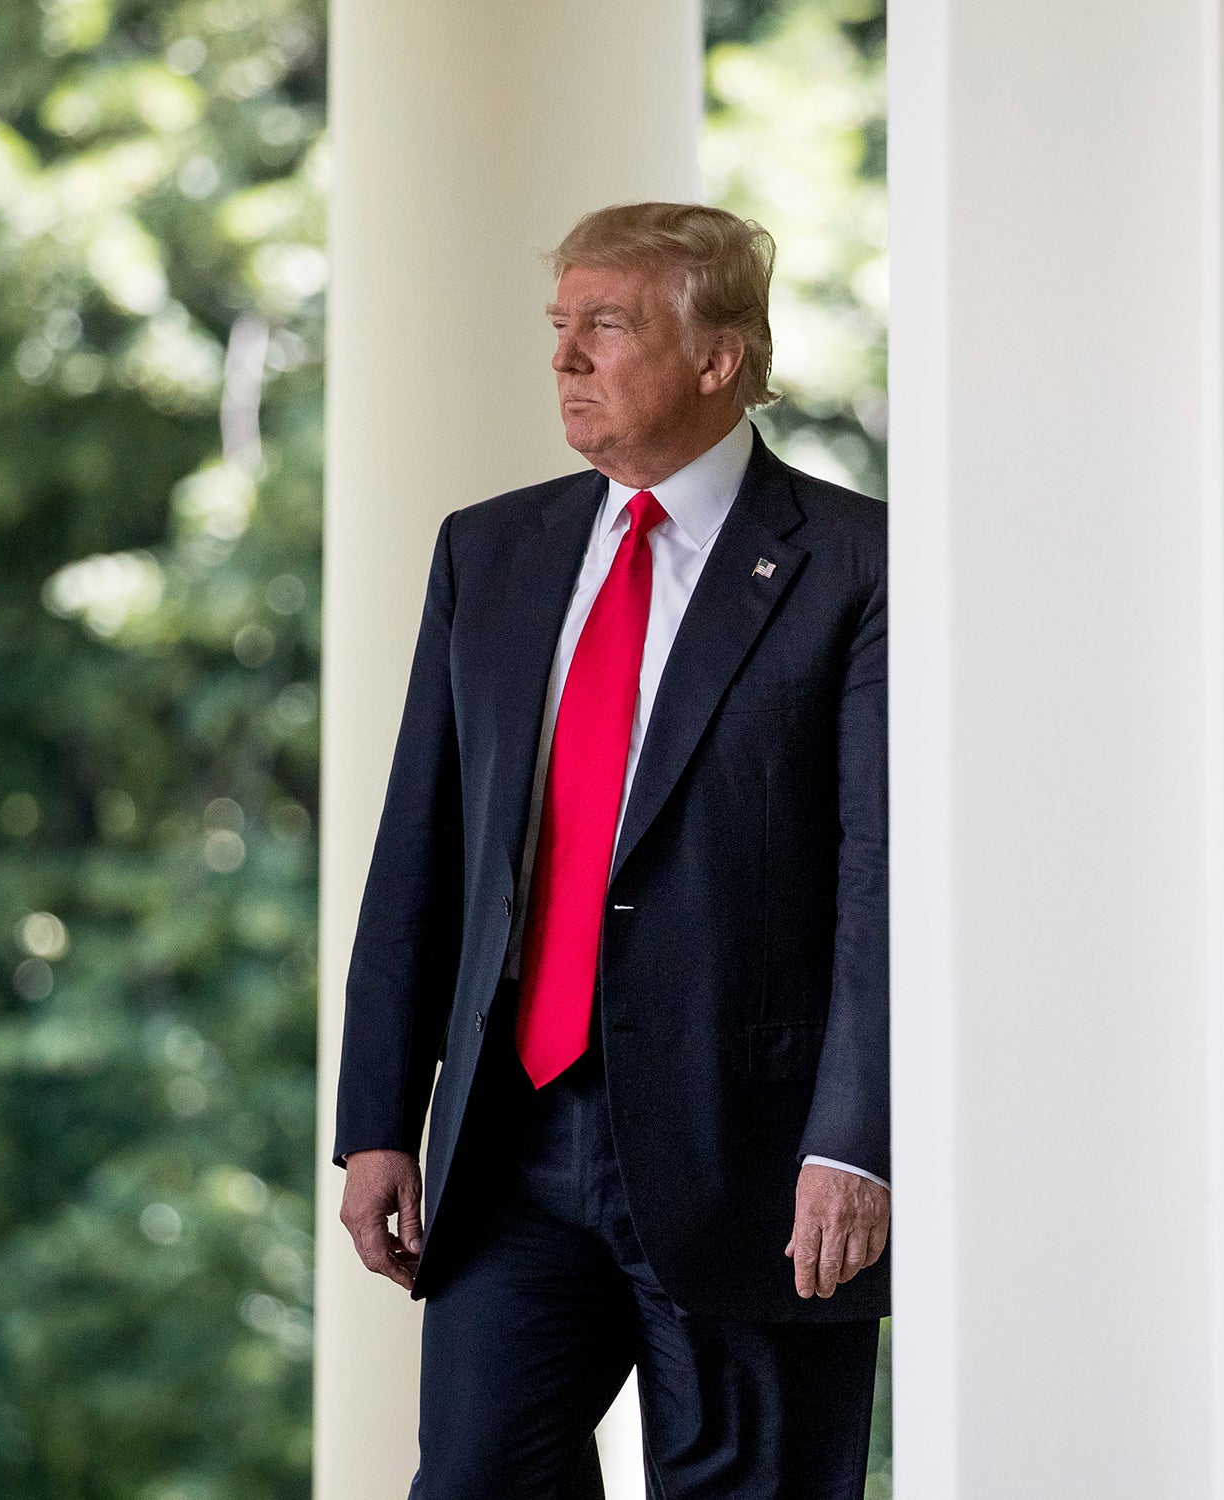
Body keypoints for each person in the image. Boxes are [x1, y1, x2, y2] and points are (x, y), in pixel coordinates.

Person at [334, 201, 889, 1499]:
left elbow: (886, 881)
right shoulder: (492, 550)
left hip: (756, 1158)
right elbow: (424, 839)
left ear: (720, 357)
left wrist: (857, 1142)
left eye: (607, 326)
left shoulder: (863, 562)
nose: (565, 359)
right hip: (512, 1148)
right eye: (560, 326)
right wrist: (377, 1116)